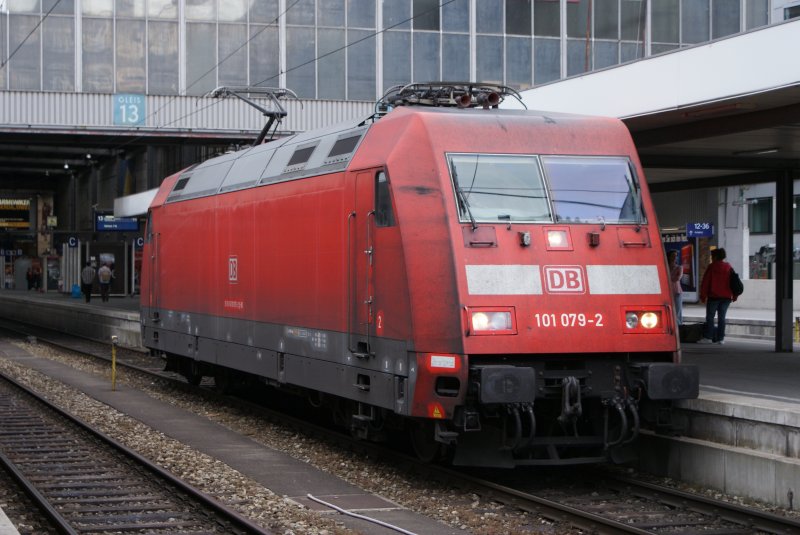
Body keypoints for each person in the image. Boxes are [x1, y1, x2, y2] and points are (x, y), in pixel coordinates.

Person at [698, 248, 736, 345]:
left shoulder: (712, 266)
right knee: (722, 318)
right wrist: (735, 295)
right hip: (726, 297)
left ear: (715, 257)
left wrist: (703, 295)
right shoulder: (728, 267)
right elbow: (734, 281)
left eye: (712, 256)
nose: (711, 258)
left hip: (714, 296)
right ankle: (720, 338)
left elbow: (706, 281)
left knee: (710, 317)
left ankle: (708, 337)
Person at [667, 250, 683, 326]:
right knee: (669, 309)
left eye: (676, 256)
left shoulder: (679, 267)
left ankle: (679, 326)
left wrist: (668, 278)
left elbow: (677, 278)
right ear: (669, 257)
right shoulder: (665, 266)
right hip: (667, 292)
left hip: (677, 291)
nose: (674, 257)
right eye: (673, 255)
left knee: (678, 310)